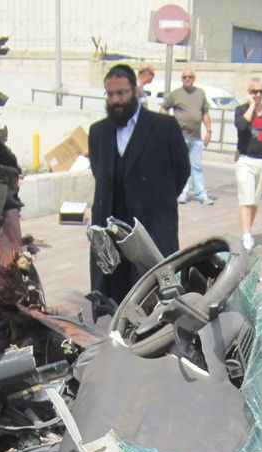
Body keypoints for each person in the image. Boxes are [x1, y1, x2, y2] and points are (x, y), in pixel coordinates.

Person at [88, 64, 190, 308]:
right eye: (110, 95)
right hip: (110, 231)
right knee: (113, 301)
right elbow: (98, 172)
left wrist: (157, 200)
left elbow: (182, 171)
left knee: (154, 301)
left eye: (121, 93)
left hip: (151, 228)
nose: (116, 100)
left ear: (134, 91)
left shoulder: (163, 127)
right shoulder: (98, 132)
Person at [234, 78, 262, 250]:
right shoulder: (241, 110)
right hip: (246, 159)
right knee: (246, 198)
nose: (257, 95)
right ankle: (246, 236)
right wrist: (252, 106)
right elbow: (241, 126)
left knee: (254, 201)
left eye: (260, 92)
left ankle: (248, 231)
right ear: (249, 92)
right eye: (254, 91)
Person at [162, 69, 214, 205]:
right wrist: (167, 126)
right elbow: (164, 108)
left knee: (196, 166)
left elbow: (205, 113)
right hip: (180, 137)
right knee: (182, 166)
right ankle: (182, 193)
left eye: (190, 77)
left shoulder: (200, 93)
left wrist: (209, 130)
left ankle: (201, 194)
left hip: (196, 137)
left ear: (194, 78)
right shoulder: (176, 94)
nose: (187, 79)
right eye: (185, 77)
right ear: (182, 79)